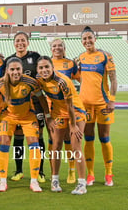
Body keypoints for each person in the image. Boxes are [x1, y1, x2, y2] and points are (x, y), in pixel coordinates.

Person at [0, 58, 54, 192]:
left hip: (27, 116)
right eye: (12, 69)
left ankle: (34, 181)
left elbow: (41, 98)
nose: (15, 72)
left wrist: (48, 115)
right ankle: (2, 181)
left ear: (22, 70)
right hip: (8, 117)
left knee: (34, 143)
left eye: (18, 69)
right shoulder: (0, 85)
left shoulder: (31, 82)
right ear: (7, 71)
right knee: (4, 143)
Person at [36, 56, 87, 195]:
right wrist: (48, 116)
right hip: (58, 113)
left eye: (47, 67)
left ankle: (82, 184)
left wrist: (73, 125)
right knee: (56, 146)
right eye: (41, 67)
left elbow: (70, 106)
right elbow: (41, 98)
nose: (44, 70)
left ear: (53, 67)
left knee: (76, 147)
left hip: (75, 112)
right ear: (37, 69)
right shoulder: (38, 80)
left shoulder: (62, 81)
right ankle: (55, 180)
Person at [5, 32, 46, 183]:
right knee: (18, 136)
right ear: (14, 43)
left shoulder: (35, 57)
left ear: (27, 42)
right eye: (17, 41)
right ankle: (19, 170)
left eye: (23, 40)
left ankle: (40, 171)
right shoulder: (9, 60)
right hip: (19, 105)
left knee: (38, 136)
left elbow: (44, 72)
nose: (20, 43)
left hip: (36, 104)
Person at [79, 26, 117, 186]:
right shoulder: (80, 58)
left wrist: (112, 100)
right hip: (85, 106)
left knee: (104, 138)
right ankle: (91, 174)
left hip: (103, 105)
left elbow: (113, 79)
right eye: (84, 39)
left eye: (90, 37)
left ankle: (109, 174)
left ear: (95, 38)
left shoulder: (105, 56)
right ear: (81, 42)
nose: (87, 41)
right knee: (88, 139)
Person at [50, 38, 80, 184]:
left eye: (60, 45)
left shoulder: (70, 64)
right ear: (51, 49)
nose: (57, 48)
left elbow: (81, 79)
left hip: (67, 106)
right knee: (54, 141)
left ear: (64, 48)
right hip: (52, 107)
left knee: (68, 139)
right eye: (54, 46)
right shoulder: (47, 64)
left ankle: (72, 169)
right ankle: (53, 173)